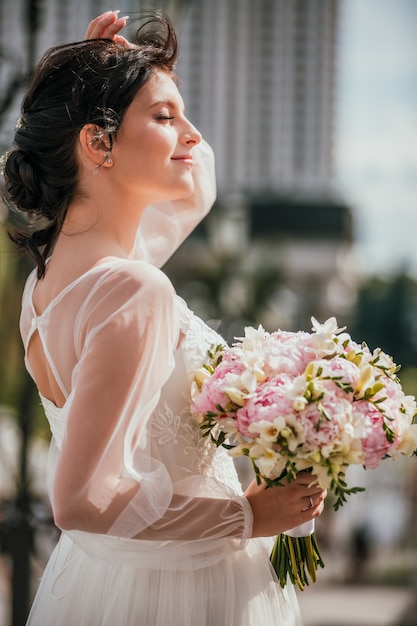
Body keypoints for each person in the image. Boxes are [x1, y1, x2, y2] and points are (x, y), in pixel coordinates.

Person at [2, 10, 327, 625]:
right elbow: (80, 500)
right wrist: (251, 516)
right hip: (181, 591)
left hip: (103, 583)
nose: (193, 136)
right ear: (97, 143)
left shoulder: (51, 286)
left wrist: (124, 82)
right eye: (164, 118)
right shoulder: (132, 288)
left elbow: (197, 184)